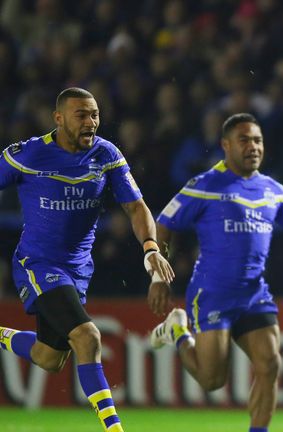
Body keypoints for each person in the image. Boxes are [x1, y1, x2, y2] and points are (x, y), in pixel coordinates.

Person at [148, 113, 283, 432]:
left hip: (254, 294)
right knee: (212, 380)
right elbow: (164, 225)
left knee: (270, 364)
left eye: (258, 140)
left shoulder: (272, 190)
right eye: (244, 140)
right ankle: (178, 332)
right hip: (212, 294)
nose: (253, 147)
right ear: (225, 145)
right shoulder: (204, 186)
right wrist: (158, 274)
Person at [0, 87, 174, 432]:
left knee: (48, 359)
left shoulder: (106, 154)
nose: (91, 122)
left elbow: (135, 206)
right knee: (88, 337)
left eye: (95, 115)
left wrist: (151, 247)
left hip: (77, 271)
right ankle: (114, 428)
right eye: (82, 115)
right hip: (38, 265)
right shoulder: (28, 155)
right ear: (59, 118)